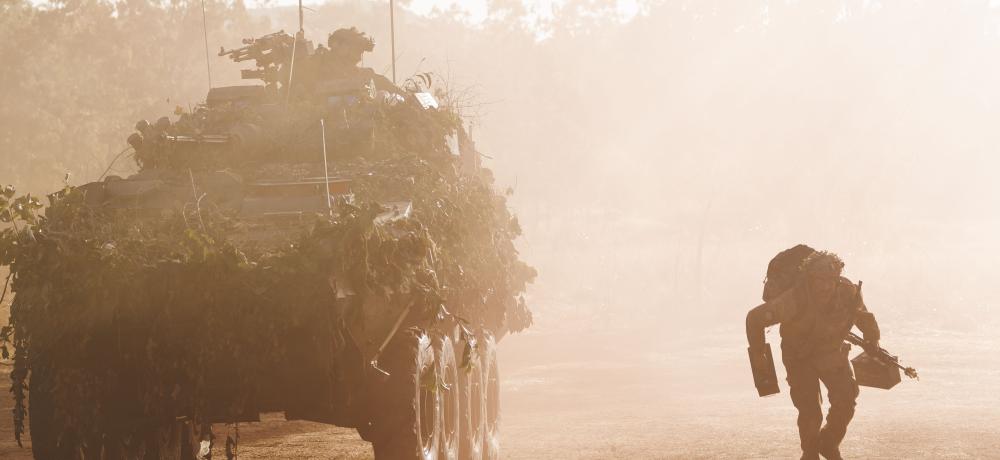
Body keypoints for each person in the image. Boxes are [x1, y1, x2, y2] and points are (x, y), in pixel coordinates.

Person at [746, 250, 881, 460]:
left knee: (846, 401)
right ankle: (809, 454)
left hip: (831, 353)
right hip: (799, 357)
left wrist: (873, 339)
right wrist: (759, 359)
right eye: (821, 280)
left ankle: (828, 443)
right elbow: (754, 320)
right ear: (810, 278)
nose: (827, 286)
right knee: (810, 412)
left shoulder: (847, 291)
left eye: (831, 280)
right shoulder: (794, 299)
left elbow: (863, 315)